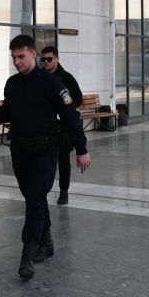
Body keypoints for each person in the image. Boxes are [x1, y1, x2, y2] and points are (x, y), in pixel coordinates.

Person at [0, 35, 90, 280]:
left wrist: (82, 149)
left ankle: (27, 254)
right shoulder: (12, 84)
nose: (17, 62)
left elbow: (71, 116)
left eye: (21, 56)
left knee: (35, 198)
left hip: (45, 151)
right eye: (14, 57)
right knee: (33, 198)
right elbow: (6, 114)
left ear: (32, 54)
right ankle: (47, 242)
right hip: (20, 151)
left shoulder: (52, 83)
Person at [40, 46, 84, 205]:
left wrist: (64, 108)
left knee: (63, 159)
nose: (46, 62)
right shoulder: (39, 76)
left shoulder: (66, 78)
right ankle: (41, 191)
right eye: (43, 59)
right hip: (44, 126)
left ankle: (63, 191)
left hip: (62, 127)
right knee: (43, 161)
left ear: (57, 58)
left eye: (49, 59)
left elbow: (78, 98)